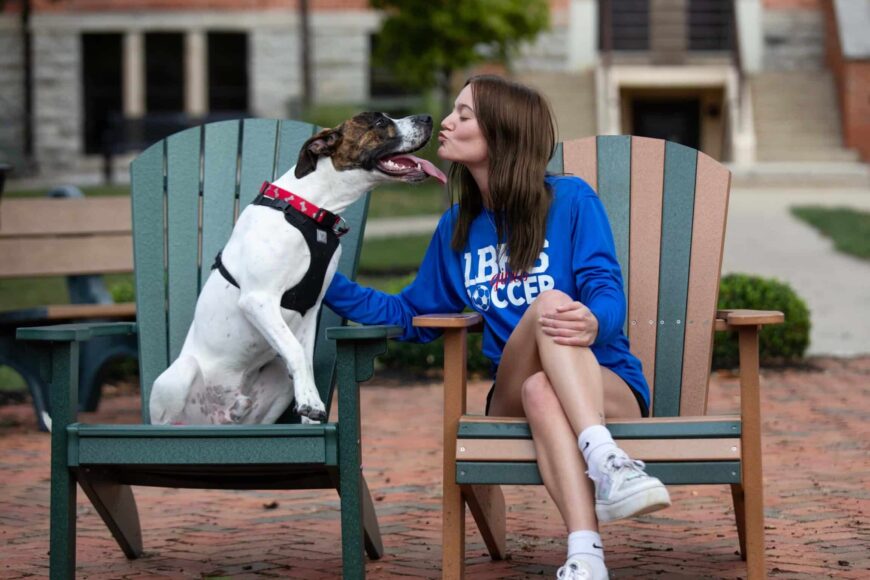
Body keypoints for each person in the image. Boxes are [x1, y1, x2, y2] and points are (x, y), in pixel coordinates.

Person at [324, 75, 670, 580]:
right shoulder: (458, 228)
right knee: (546, 314)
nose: (447, 121)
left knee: (542, 386)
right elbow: (411, 317)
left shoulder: (571, 200)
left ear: (502, 135)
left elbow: (605, 288)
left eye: (464, 115)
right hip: (507, 391)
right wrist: (322, 278)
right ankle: (608, 462)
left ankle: (586, 556)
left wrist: (595, 319)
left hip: (608, 380)